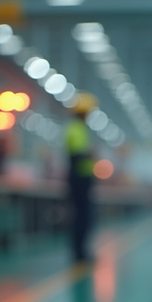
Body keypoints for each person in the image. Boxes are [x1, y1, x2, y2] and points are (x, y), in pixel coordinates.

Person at [65, 92, 98, 262]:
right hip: (79, 178)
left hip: (82, 178)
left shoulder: (80, 129)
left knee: (85, 215)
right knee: (82, 215)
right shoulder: (75, 129)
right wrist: (91, 154)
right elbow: (76, 156)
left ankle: (82, 251)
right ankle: (79, 253)